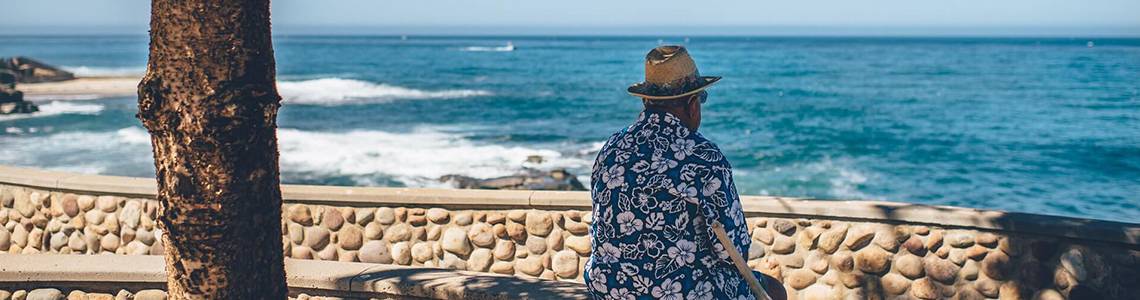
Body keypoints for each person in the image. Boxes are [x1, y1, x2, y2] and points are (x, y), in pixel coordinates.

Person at [584, 45, 785, 300]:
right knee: (775, 290)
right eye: (702, 99)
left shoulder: (612, 148)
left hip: (610, 288)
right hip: (680, 293)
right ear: (692, 105)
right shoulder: (703, 157)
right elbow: (732, 251)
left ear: (647, 101)